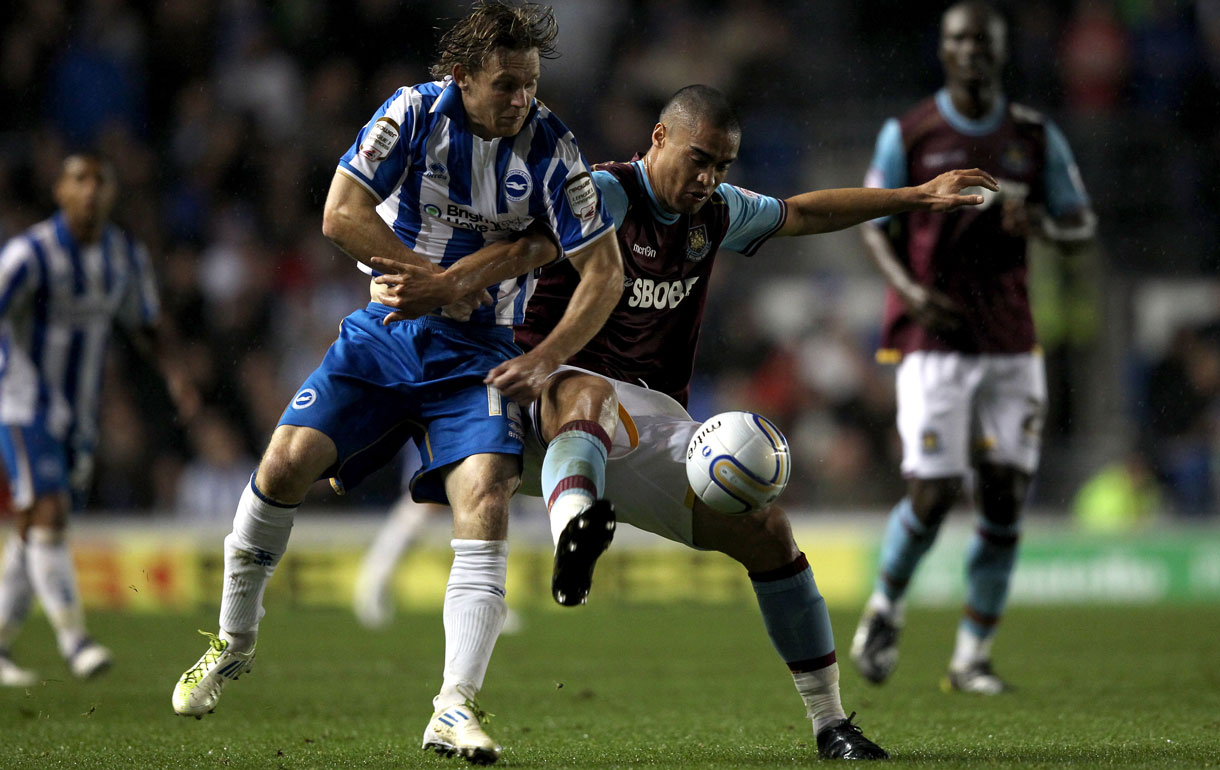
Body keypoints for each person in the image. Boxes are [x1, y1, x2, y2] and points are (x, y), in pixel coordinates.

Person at [370, 83, 997, 760]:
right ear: (659, 139)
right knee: (584, 395)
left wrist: (915, 196)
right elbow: (521, 254)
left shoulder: (717, 214)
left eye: (722, 166)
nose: (709, 179)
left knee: (767, 530)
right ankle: (571, 535)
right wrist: (445, 284)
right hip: (533, 395)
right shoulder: (604, 194)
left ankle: (831, 723)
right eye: (699, 159)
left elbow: (804, 214)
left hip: (642, 420)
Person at [170, 3, 624, 766]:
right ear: (463, 79)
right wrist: (438, 281)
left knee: (484, 499)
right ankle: (232, 643)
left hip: (479, 352)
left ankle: (453, 707)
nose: (521, 100)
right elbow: (339, 214)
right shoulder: (412, 113)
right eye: (506, 84)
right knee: (283, 466)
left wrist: (545, 357)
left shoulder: (553, 144)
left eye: (531, 84)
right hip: (386, 335)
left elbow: (602, 272)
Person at [849, 1, 1096, 696]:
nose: (970, 51)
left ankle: (971, 658)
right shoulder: (912, 132)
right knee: (933, 493)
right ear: (944, 49)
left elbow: (1081, 226)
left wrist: (1041, 220)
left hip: (1013, 340)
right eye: (958, 39)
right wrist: (909, 291)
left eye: (982, 41)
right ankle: (885, 607)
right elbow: (875, 218)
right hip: (936, 339)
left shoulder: (1034, 136)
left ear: (1000, 50)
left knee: (1006, 496)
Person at [0, 152, 166, 685]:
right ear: (59, 192)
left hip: (78, 414)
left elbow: (144, 323)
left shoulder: (123, 256)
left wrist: (177, 378)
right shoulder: (29, 254)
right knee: (47, 514)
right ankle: (76, 642)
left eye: (100, 180)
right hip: (22, 404)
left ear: (112, 192)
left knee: (34, 529)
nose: (90, 190)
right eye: (79, 180)